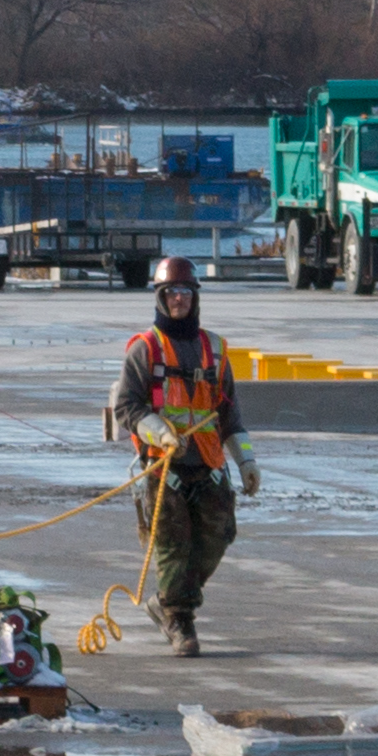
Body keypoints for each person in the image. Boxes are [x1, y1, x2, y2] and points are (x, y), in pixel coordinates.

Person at [99, 255, 257, 655]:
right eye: (171, 292)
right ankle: (178, 620)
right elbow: (127, 408)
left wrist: (246, 461)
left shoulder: (215, 350)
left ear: (195, 297)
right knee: (172, 543)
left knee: (219, 534)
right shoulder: (145, 349)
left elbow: (229, 412)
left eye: (185, 292)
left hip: (207, 462)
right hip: (161, 464)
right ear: (159, 296)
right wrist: (160, 431)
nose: (178, 300)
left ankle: (169, 600)